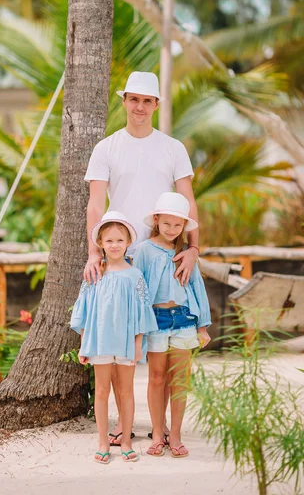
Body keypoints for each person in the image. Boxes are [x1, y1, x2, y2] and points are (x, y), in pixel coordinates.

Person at [83, 70, 200, 445]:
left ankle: (163, 428)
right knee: (123, 346)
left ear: (155, 105)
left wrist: (194, 247)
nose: (139, 106)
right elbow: (95, 204)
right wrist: (94, 252)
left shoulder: (173, 147)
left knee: (161, 345)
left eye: (146, 100)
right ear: (124, 101)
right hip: (121, 258)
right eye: (133, 99)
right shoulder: (106, 148)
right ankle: (122, 424)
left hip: (165, 256)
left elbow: (187, 201)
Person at [71, 211, 157, 465]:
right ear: (100, 243)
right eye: (109, 241)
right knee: (101, 391)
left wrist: (138, 344)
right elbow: (84, 310)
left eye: (120, 240)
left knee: (126, 390)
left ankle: (127, 442)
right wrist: (85, 342)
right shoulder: (95, 275)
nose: (115, 245)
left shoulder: (135, 276)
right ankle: (102, 442)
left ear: (128, 242)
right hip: (99, 342)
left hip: (126, 342)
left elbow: (143, 313)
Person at [134, 192, 211, 458]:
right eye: (166, 224)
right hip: (156, 320)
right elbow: (139, 289)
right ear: (156, 220)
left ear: (184, 227)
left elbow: (197, 287)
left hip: (184, 320)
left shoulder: (186, 253)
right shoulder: (143, 251)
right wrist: (138, 326)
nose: (171, 229)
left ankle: (175, 435)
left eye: (177, 225)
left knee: (179, 381)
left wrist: (202, 326)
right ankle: (157, 433)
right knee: (156, 378)